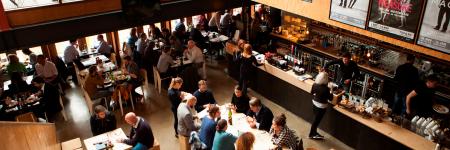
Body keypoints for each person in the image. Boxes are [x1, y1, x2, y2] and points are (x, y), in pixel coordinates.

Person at [309, 71, 332, 140]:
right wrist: (331, 90)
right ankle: (312, 134)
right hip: (321, 107)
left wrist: (318, 94)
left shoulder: (315, 84)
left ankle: (314, 132)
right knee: (316, 121)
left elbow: (312, 92)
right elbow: (330, 99)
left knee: (315, 119)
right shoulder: (326, 89)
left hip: (315, 103)